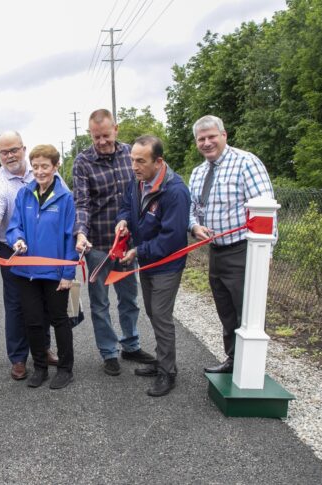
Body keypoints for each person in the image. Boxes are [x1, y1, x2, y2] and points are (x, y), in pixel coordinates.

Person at [188, 115, 274, 374]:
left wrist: (267, 250)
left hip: (243, 250)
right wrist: (194, 226)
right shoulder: (199, 172)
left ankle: (252, 367)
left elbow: (266, 208)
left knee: (245, 311)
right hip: (216, 251)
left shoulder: (246, 162)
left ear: (224, 135)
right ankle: (233, 359)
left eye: (211, 136)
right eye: (201, 139)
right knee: (225, 309)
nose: (207, 143)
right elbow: (191, 209)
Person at [73, 109, 154, 377]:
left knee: (129, 298)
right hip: (97, 246)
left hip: (127, 246)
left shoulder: (131, 154)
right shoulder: (83, 162)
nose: (102, 141)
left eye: (106, 135)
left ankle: (131, 344)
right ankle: (109, 352)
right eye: (96, 137)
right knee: (100, 303)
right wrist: (81, 233)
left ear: (116, 130)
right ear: (90, 134)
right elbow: (82, 203)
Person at [116, 135, 190, 397]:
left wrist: (138, 251)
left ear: (159, 161)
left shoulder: (176, 191)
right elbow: (126, 206)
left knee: (160, 315)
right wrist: (123, 221)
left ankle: (168, 372)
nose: (134, 167)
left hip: (166, 264)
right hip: (147, 261)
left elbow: (171, 238)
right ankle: (162, 361)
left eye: (141, 161)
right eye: (132, 160)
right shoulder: (138, 181)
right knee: (152, 312)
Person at [0, 131, 57, 381]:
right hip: (11, 249)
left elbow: (65, 200)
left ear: (23, 148)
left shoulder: (42, 169)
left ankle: (43, 350)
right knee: (15, 305)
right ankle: (18, 359)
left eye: (14, 150)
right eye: (4, 152)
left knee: (44, 300)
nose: (9, 155)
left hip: (44, 249)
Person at [6, 145, 77, 389]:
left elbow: (70, 237)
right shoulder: (24, 194)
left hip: (56, 273)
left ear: (55, 166)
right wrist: (17, 238)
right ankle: (40, 368)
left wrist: (68, 273)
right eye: (35, 166)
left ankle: (66, 369)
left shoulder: (65, 198)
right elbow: (14, 226)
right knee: (33, 321)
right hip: (26, 272)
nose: (39, 171)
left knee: (60, 320)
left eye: (44, 166)